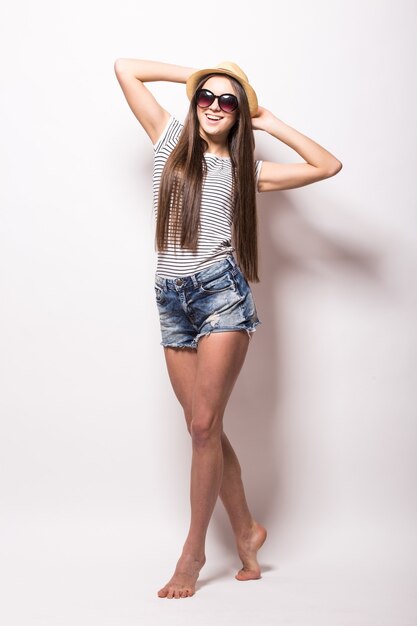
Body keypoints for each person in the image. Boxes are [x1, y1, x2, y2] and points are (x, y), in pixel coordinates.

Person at [114, 58, 342, 599]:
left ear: (240, 112)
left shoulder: (247, 171)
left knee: (201, 426)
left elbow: (327, 165)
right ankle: (247, 531)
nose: (214, 106)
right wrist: (205, 74)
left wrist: (269, 119)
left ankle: (192, 554)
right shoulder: (168, 136)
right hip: (171, 299)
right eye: (206, 98)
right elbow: (125, 69)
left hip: (222, 298)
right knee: (204, 428)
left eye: (227, 101)